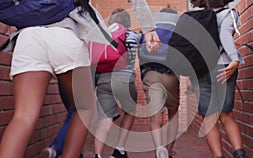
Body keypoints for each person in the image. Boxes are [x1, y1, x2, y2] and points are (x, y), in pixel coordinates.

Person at [0, 0, 160, 157]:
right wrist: (148, 28)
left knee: (23, 116)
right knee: (83, 109)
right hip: (67, 32)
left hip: (28, 36)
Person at [190, 0, 246, 158]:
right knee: (226, 115)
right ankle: (239, 154)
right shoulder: (229, 13)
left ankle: (218, 156)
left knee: (209, 118)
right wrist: (234, 58)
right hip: (223, 66)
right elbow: (224, 35)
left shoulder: (196, 17)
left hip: (200, 69)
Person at [92, 8, 138, 158]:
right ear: (127, 21)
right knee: (130, 111)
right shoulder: (131, 35)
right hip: (125, 78)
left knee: (105, 119)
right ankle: (119, 150)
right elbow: (132, 59)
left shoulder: (102, 34)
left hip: (103, 79)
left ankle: (97, 155)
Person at [141, 8, 180, 158]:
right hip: (172, 75)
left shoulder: (151, 25)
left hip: (151, 74)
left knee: (155, 117)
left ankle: (159, 148)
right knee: (173, 114)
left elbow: (140, 50)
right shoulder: (178, 25)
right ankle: (169, 152)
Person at [41, 85, 84, 158]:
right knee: (76, 116)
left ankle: (78, 155)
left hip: (63, 82)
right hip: (82, 82)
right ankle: (55, 148)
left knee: (75, 117)